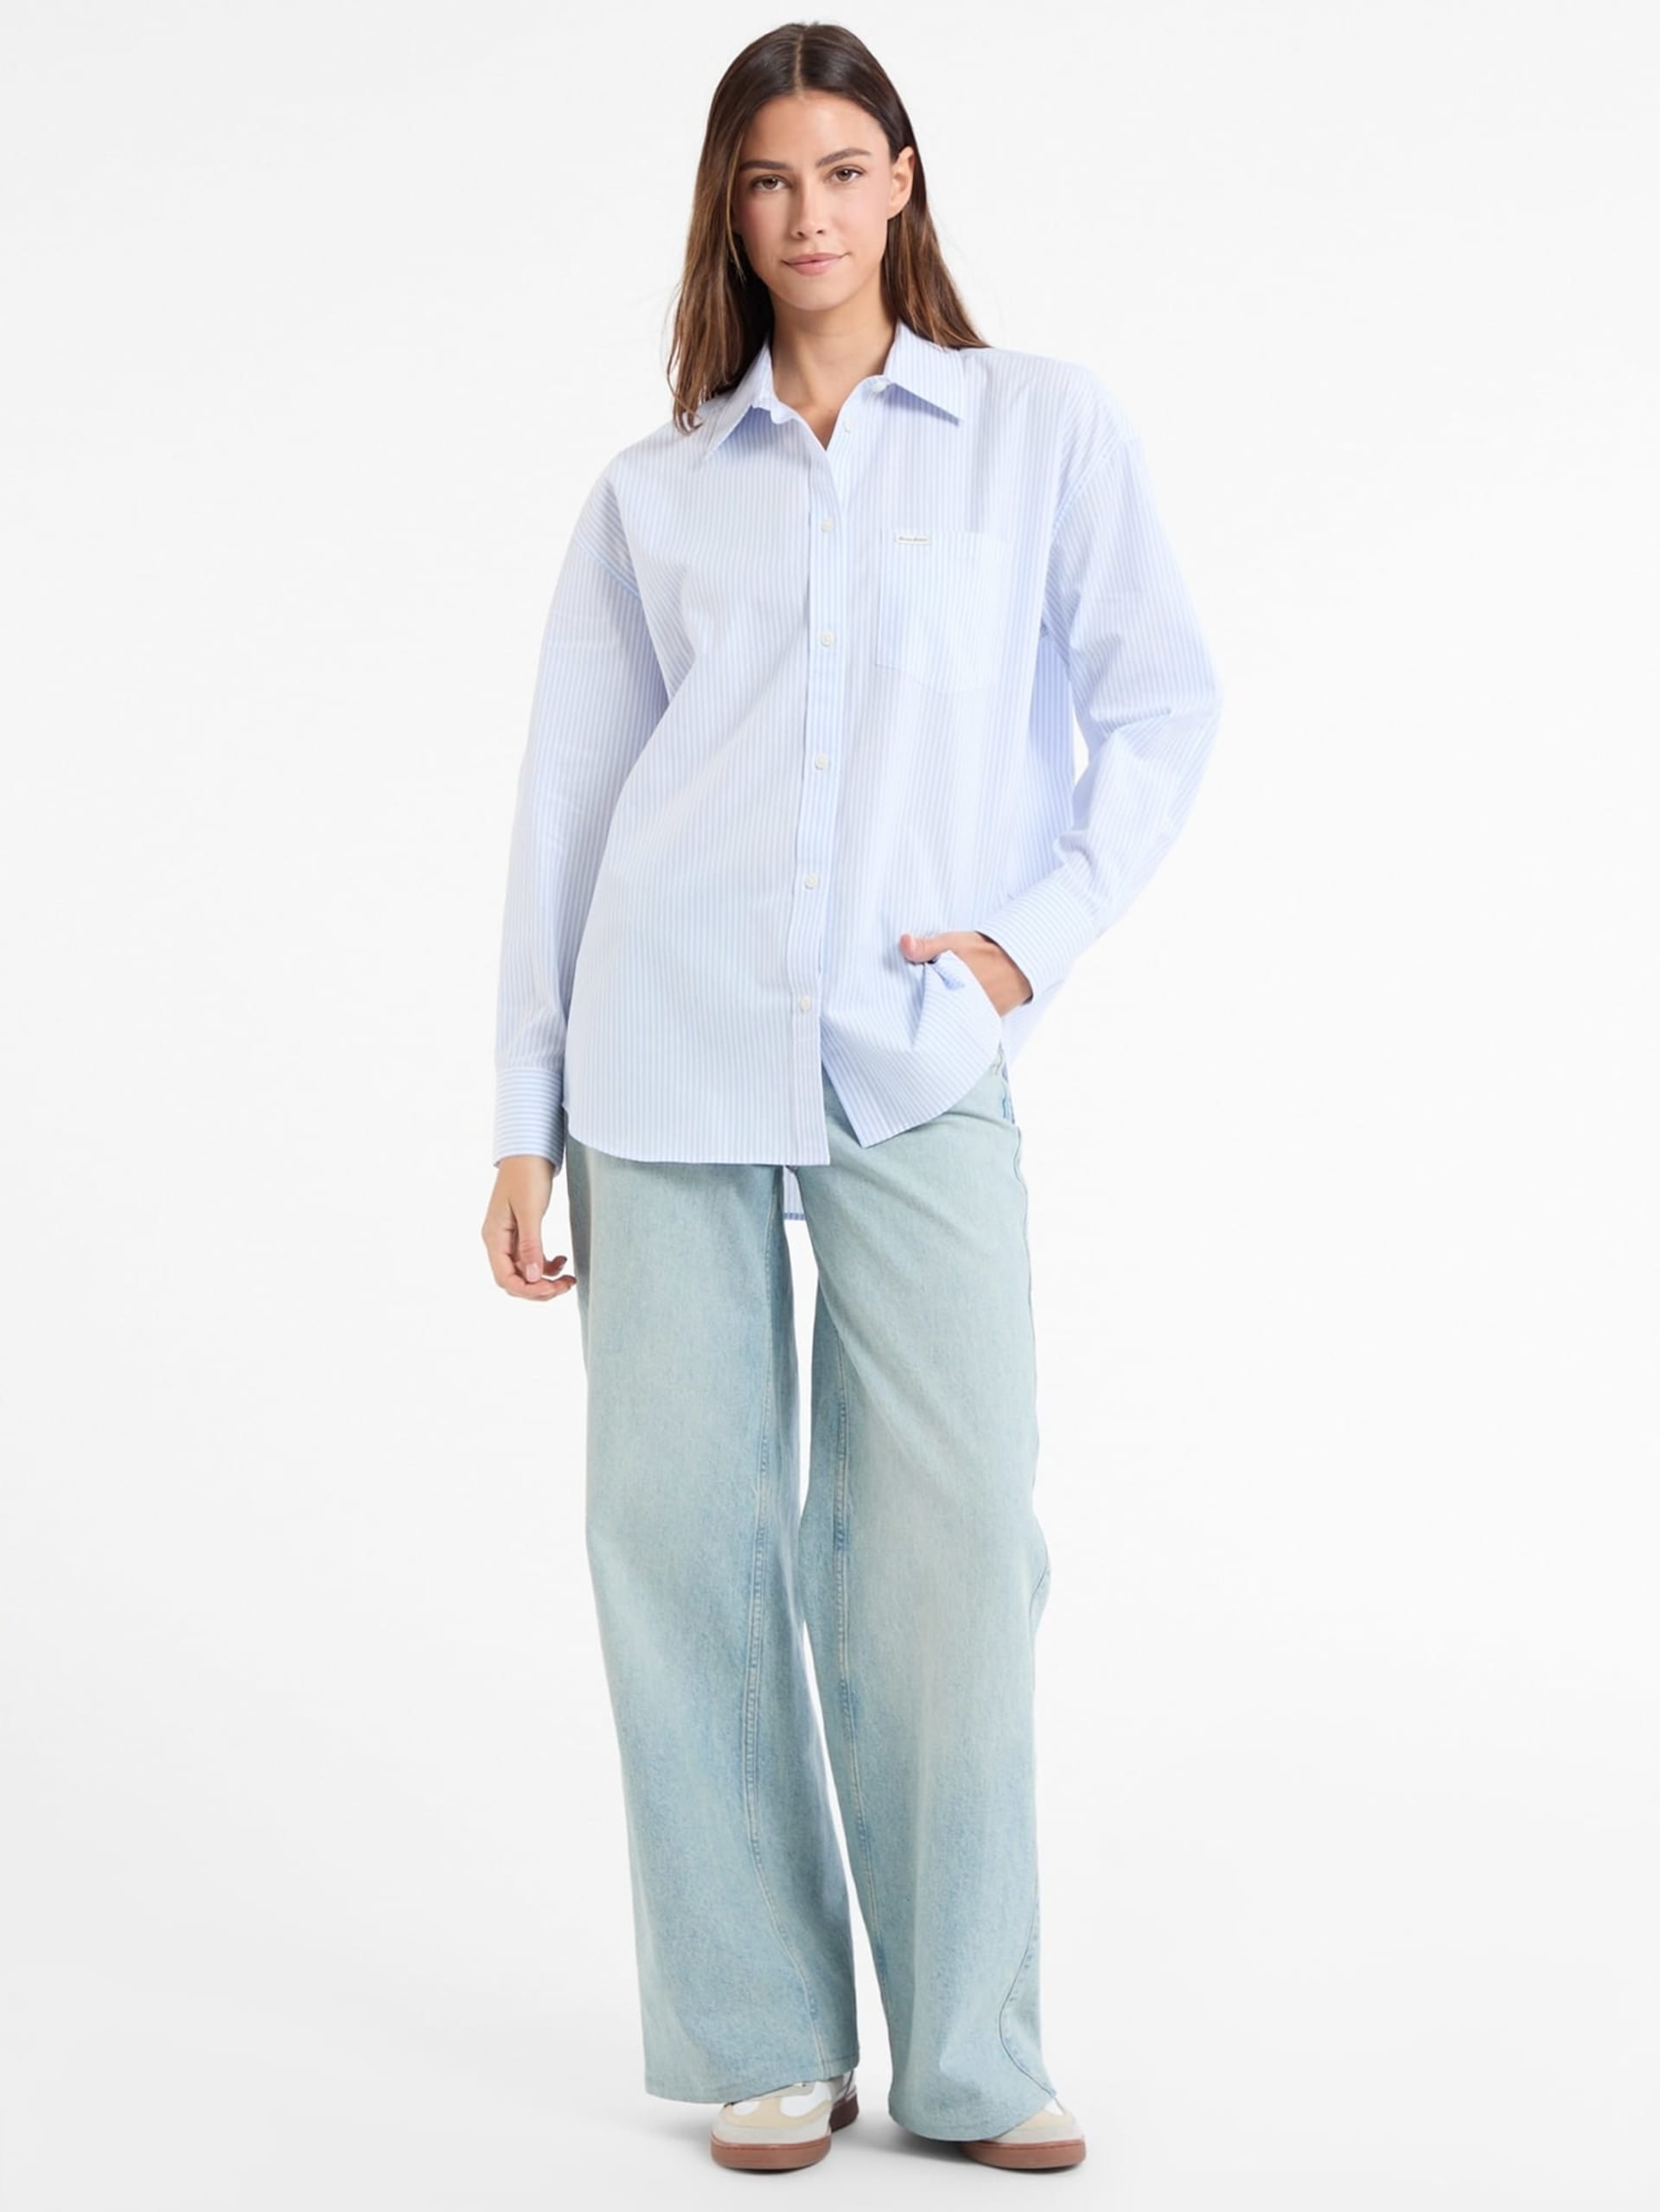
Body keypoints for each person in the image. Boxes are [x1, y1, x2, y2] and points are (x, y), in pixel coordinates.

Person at [480, 20, 1223, 2177]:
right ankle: (763, 2030)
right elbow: (570, 804)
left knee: (953, 1543)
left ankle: (972, 2049)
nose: (803, 213)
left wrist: (1025, 940)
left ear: (903, 179)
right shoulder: (655, 492)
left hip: (917, 1058)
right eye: (763, 180)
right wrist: (521, 1110)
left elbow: (1164, 705)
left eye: (837, 169)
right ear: (729, 213)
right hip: (661, 1052)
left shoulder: (1040, 431)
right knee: (683, 1543)